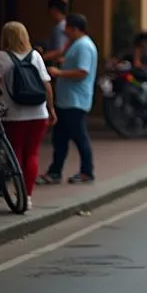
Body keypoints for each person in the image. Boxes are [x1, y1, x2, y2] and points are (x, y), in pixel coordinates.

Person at [0, 22, 56, 211]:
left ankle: (18, 192)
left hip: (13, 114)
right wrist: (51, 109)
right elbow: (47, 86)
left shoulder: (1, 56)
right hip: (38, 113)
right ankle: (28, 197)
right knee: (32, 154)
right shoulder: (36, 56)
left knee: (16, 152)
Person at [41, 13, 98, 185]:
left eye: (67, 28)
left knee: (79, 137)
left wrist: (59, 72)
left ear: (74, 28)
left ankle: (87, 171)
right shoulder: (76, 45)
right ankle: (55, 171)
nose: (64, 31)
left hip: (76, 100)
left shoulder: (84, 46)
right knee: (60, 139)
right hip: (67, 100)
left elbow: (82, 72)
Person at [42, 0, 69, 64]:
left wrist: (40, 58)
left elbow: (60, 50)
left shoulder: (60, 27)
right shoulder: (64, 24)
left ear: (54, 10)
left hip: (58, 65)